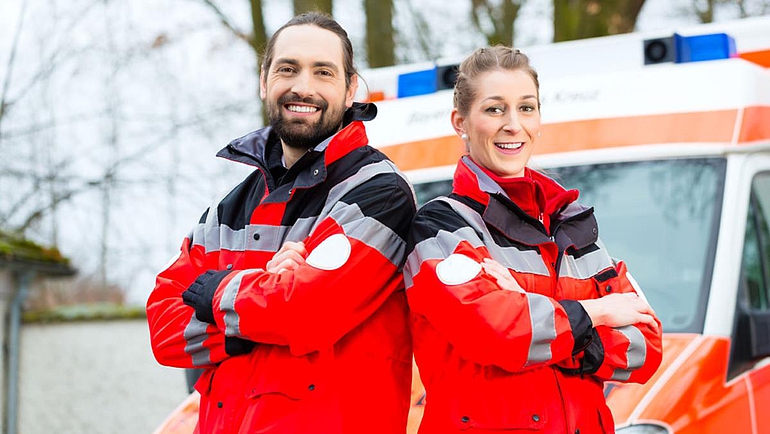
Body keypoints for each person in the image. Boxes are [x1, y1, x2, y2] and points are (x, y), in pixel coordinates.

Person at [146, 12, 416, 433]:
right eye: (287, 69)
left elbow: (307, 311)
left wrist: (215, 290)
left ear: (349, 90)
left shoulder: (379, 192)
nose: (302, 86)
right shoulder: (228, 208)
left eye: (322, 72)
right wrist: (262, 299)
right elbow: (164, 330)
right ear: (263, 81)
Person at [403, 46, 663, 434]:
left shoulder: (574, 225)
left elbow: (647, 349)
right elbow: (500, 336)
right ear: (460, 121)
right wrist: (597, 313)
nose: (513, 124)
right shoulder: (441, 227)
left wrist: (535, 311)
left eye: (526, 108)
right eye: (495, 109)